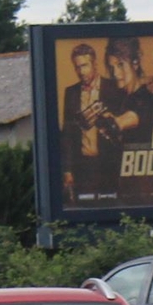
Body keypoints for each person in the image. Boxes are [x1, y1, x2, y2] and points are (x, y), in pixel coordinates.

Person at [61, 44, 113, 204]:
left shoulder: (113, 88)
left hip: (109, 163)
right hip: (82, 165)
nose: (81, 71)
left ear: (95, 64)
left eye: (84, 65)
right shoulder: (71, 92)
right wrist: (68, 170)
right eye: (77, 67)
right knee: (84, 209)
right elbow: (67, 134)